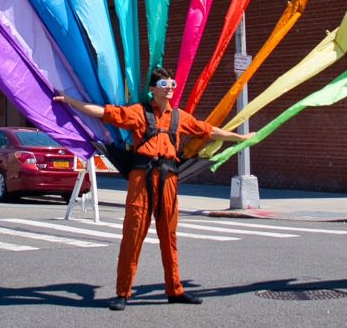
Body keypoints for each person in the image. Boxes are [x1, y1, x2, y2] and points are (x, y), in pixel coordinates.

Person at [54, 66, 250, 311]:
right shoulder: (138, 113)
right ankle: (123, 293)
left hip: (168, 180)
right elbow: (104, 113)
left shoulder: (179, 117)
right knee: (133, 234)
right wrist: (71, 101)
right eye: (164, 86)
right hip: (141, 179)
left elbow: (207, 130)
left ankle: (175, 290)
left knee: (169, 236)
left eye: (172, 85)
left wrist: (240, 138)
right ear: (152, 91)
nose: (169, 90)